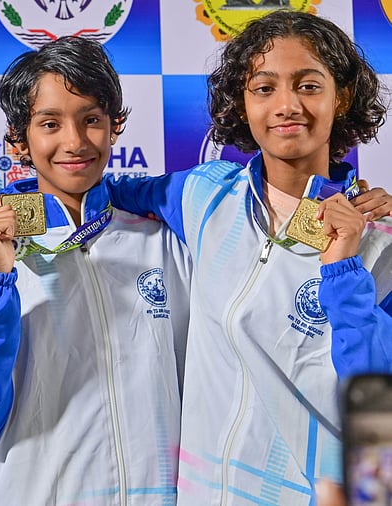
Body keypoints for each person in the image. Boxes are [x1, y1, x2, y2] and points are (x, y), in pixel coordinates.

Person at [103, 10, 392, 505]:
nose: (286, 105)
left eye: (308, 85)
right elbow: (93, 189)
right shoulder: (201, 195)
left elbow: (377, 403)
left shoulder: (380, 241)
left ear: (341, 97)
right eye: (263, 88)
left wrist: (343, 271)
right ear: (241, 102)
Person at [0, 36, 192, 505]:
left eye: (91, 120)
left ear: (114, 127)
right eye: (49, 124)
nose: (74, 142)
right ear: (18, 140)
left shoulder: (162, 240)